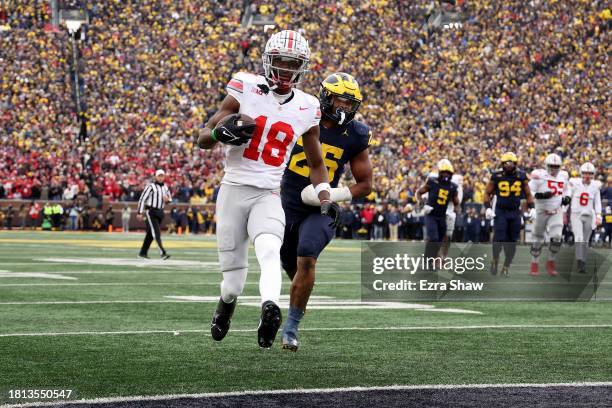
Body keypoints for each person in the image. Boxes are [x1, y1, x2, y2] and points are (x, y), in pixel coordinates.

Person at [196, 30, 334, 349]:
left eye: (293, 64)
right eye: (281, 63)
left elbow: (316, 163)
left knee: (270, 250)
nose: (286, 70)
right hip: (233, 190)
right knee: (233, 282)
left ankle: (270, 308)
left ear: (302, 67)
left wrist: (325, 197)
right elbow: (203, 137)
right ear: (268, 61)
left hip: (268, 193)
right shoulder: (245, 87)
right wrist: (219, 133)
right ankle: (226, 305)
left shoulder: (307, 106)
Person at [279, 72, 373, 351]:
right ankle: (296, 298)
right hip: (285, 201)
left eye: (349, 103)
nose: (344, 108)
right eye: (340, 101)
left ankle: (291, 328)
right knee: (288, 262)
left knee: (307, 257)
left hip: (321, 206)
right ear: (326, 97)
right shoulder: (302, 115)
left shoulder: (356, 134)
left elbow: (366, 185)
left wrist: (333, 194)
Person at [483, 152, 535, 276]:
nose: (509, 165)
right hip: (501, 211)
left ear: (515, 163)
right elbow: (487, 193)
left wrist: (532, 207)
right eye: (506, 163)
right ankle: (495, 259)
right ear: (502, 164)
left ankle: (506, 266)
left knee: (512, 242)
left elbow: (528, 194)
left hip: (515, 212)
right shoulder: (496, 176)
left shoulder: (521, 176)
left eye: (511, 163)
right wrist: (488, 208)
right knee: (499, 238)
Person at [528, 153, 570, 276]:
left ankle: (551, 262)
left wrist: (567, 197)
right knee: (537, 240)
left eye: (556, 166)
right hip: (541, 211)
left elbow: (567, 190)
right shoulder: (538, 175)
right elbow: (528, 190)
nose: (554, 169)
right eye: (551, 166)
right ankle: (534, 263)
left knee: (557, 237)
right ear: (546, 165)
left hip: (556, 211)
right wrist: (539, 195)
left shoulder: (563, 175)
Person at [416, 159, 460, 267]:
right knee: (434, 238)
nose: (446, 175)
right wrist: (422, 204)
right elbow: (419, 193)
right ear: (440, 172)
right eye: (444, 172)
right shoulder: (432, 181)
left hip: (442, 216)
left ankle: (431, 259)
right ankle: (428, 261)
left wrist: (456, 209)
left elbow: (456, 202)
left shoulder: (453, 187)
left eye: (448, 173)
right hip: (431, 215)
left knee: (440, 240)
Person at [567, 162, 602, 274]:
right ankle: (579, 261)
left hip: (589, 215)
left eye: (590, 173)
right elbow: (568, 196)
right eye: (586, 173)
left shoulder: (595, 186)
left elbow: (597, 202)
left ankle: (583, 262)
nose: (587, 175)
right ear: (581, 173)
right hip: (576, 214)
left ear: (593, 174)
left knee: (585, 241)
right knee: (579, 237)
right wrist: (563, 211)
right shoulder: (574, 183)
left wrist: (598, 215)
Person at [137, 169, 171, 260]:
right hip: (151, 211)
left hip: (160, 212)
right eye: (159, 176)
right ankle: (162, 253)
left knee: (150, 234)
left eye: (162, 176)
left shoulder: (165, 187)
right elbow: (142, 199)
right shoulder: (151, 186)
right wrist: (140, 212)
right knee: (156, 233)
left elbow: (169, 199)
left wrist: (167, 200)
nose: (161, 178)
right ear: (155, 176)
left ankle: (142, 253)